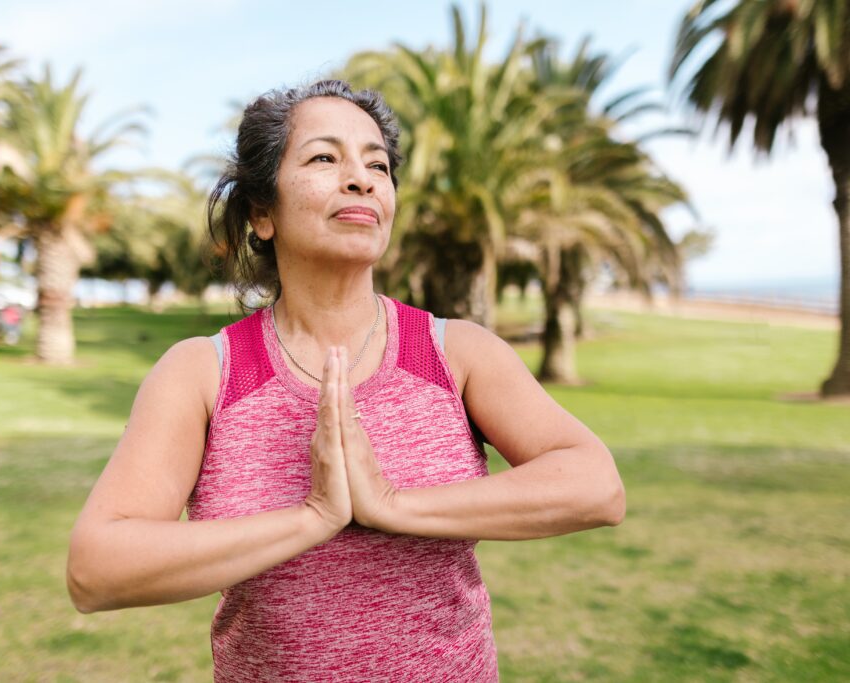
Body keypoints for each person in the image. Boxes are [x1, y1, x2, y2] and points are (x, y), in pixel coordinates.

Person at [66, 79, 625, 681]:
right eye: (324, 158)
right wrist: (312, 516)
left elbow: (597, 487)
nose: (360, 178)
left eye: (377, 164)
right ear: (262, 213)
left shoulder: (456, 354)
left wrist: (390, 505)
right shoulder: (204, 373)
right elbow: (96, 570)